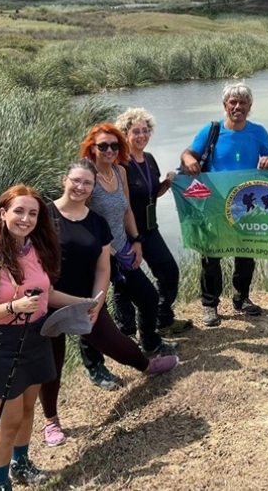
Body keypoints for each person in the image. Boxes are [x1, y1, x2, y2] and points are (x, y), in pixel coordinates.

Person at [39, 161, 179, 448]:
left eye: (87, 183)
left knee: (115, 343)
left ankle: (146, 366)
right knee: (51, 364)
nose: (80, 187)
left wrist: (97, 300)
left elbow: (104, 268)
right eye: (75, 181)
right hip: (48, 303)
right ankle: (51, 420)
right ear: (64, 180)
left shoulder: (96, 221)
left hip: (88, 300)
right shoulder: (45, 216)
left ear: (93, 188)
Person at [0, 185, 96, 491]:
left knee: (28, 410)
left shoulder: (35, 251)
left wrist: (81, 303)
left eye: (32, 213)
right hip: (3, 345)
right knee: (9, 419)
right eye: (19, 211)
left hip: (36, 337)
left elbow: (47, 294)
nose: (25, 218)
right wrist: (14, 306)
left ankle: (21, 464)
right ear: (3, 214)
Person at [78, 124, 176, 391]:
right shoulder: (85, 175)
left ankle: (150, 342)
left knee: (148, 297)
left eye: (114, 145)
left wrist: (136, 241)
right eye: (103, 146)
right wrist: (99, 246)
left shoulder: (120, 172)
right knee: (92, 311)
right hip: (93, 256)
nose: (110, 150)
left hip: (121, 251)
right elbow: (75, 216)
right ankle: (95, 366)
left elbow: (127, 212)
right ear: (92, 148)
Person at [181, 81, 268, 327]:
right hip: (213, 203)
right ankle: (210, 306)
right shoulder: (212, 130)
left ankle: (241, 298)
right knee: (211, 255)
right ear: (225, 106)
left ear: (250, 106)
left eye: (243, 103)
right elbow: (189, 153)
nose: (238, 107)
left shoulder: (258, 132)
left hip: (247, 203)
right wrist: (188, 160)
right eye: (233, 102)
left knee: (246, 255)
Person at [116, 107, 193, 337]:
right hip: (128, 234)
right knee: (124, 284)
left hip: (150, 229)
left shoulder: (148, 158)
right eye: (136, 131)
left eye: (145, 130)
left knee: (169, 272)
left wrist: (167, 185)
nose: (141, 135)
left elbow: (151, 193)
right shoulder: (121, 165)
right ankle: (127, 332)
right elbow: (124, 204)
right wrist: (132, 238)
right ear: (125, 134)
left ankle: (163, 320)